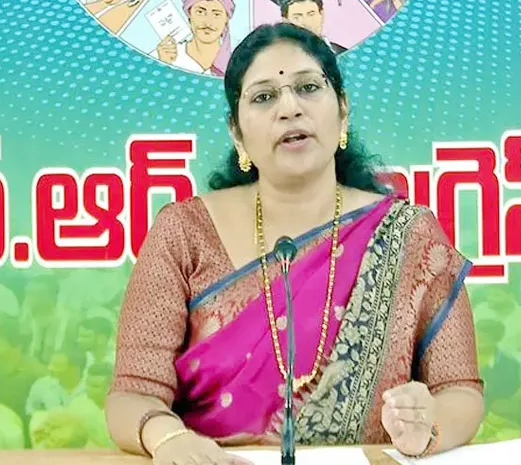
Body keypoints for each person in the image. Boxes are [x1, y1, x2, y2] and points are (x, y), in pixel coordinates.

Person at [106, 22, 484, 465]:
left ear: (342, 110)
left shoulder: (407, 233)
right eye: (264, 97)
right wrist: (168, 439)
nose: (289, 108)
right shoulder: (184, 232)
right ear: (236, 132)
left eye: (308, 88)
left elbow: (459, 389)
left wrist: (429, 424)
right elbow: (133, 394)